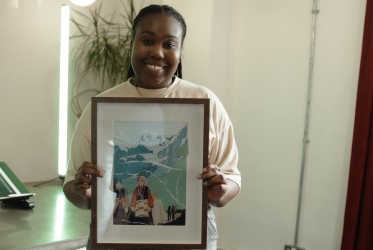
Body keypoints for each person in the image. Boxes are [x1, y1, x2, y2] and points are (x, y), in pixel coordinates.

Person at [63, 4, 241, 249]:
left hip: (190, 237)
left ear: (180, 51)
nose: (157, 52)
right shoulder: (102, 107)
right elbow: (75, 189)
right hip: (114, 237)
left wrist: (220, 190)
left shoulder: (206, 103)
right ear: (132, 44)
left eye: (169, 44)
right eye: (147, 40)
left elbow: (232, 178)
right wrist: (83, 191)